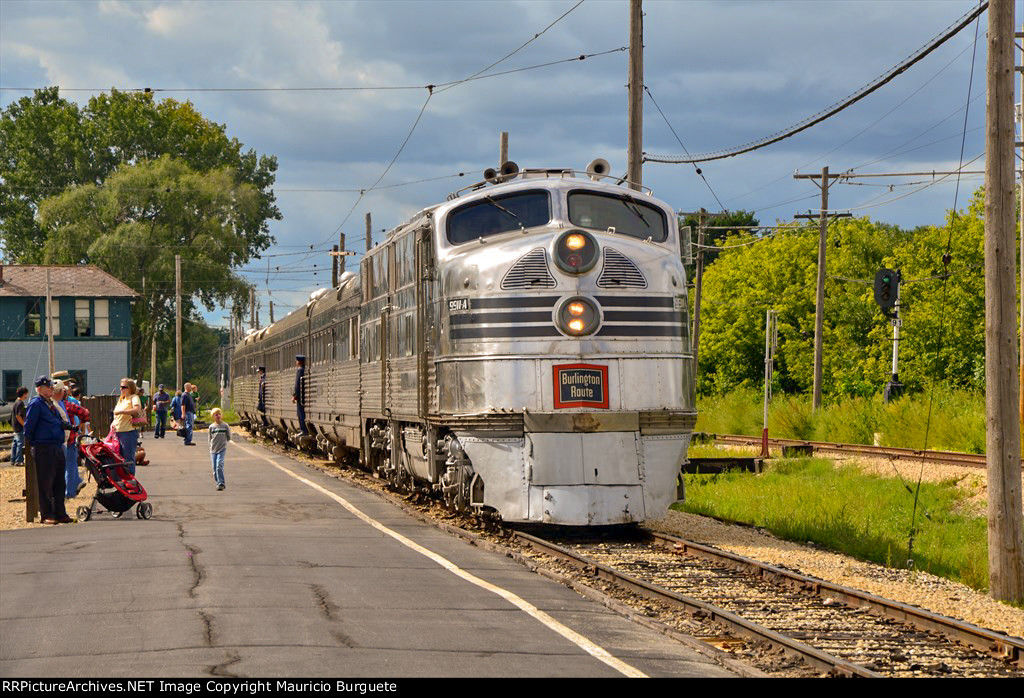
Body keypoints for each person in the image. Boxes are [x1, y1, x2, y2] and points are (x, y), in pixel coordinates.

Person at [23, 376, 71, 524]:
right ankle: (47, 515)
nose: (51, 388)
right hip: (44, 447)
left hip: (56, 446)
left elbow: (56, 422)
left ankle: (60, 513)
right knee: (46, 483)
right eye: (48, 386)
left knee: (59, 482)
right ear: (40, 388)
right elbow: (28, 428)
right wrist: (35, 445)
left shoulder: (49, 403)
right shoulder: (36, 404)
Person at [52, 380, 89, 498]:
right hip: (71, 439)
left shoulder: (50, 406)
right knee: (70, 465)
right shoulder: (69, 404)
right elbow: (85, 412)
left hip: (58, 440)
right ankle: (72, 488)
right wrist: (80, 426)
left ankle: (70, 490)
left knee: (64, 466)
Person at [112, 378, 143, 474]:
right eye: (120, 387)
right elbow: (116, 415)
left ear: (130, 388)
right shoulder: (121, 399)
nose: (121, 389)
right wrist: (113, 423)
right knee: (119, 459)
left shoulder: (134, 398)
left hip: (128, 432)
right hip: (118, 432)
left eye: (124, 387)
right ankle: (123, 483)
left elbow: (136, 410)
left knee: (128, 459)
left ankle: (130, 483)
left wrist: (121, 412)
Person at [207, 407, 231, 491]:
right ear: (213, 416)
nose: (218, 416)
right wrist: (210, 447)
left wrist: (224, 443)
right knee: (214, 468)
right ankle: (218, 482)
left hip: (222, 449)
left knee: (219, 465)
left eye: (219, 414)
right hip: (213, 450)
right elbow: (210, 438)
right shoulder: (211, 427)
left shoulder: (225, 426)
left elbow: (228, 437)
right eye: (216, 414)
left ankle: (221, 483)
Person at [11, 387, 28, 466]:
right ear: (23, 394)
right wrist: (24, 424)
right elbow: (18, 416)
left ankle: (13, 459)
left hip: (15, 426)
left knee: (15, 443)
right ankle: (18, 460)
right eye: (26, 393)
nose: (27, 395)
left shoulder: (16, 402)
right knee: (20, 444)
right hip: (19, 426)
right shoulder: (20, 403)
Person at [292, 355, 308, 435]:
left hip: (300, 397)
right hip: (304, 396)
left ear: (299, 362)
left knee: (300, 413)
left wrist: (294, 396)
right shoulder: (304, 370)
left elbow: (297, 384)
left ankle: (303, 430)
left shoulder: (299, 370)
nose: (295, 362)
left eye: (296, 361)